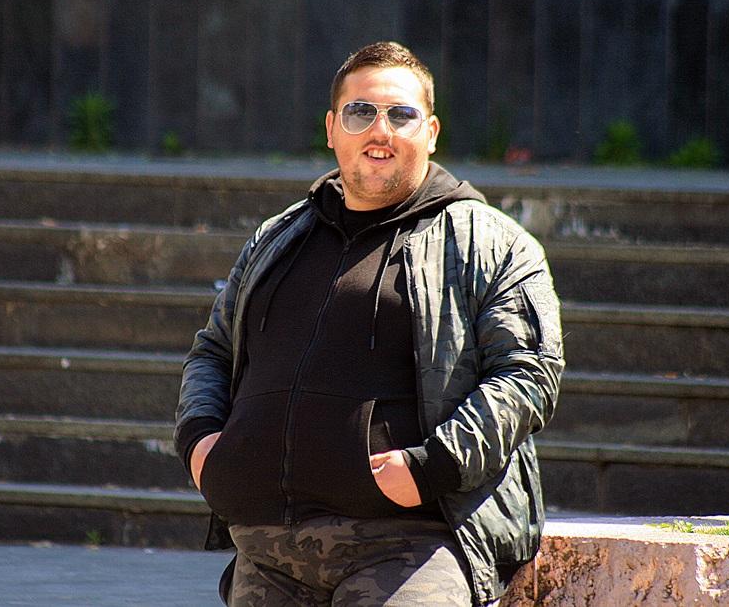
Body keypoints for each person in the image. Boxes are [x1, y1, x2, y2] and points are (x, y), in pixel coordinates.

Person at [174, 41, 564, 606]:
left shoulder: (492, 242)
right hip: (266, 550)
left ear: (431, 132)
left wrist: (432, 466)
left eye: (400, 115)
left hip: (411, 546)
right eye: (361, 112)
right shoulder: (276, 237)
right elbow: (214, 351)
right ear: (333, 128)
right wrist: (198, 439)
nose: (380, 130)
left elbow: (529, 374)